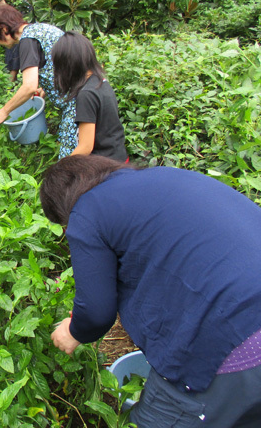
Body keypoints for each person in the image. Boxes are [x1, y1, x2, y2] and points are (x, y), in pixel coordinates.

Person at [42, 155, 261, 428]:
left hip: (234, 339)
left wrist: (73, 332)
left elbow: (96, 312)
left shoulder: (85, 210)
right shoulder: (161, 176)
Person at [0, 3, 77, 158]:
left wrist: (4, 111)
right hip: (90, 94)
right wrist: (46, 88)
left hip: (78, 104)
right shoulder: (40, 29)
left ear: (4, 29)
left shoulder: (28, 40)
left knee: (70, 161)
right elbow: (61, 64)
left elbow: (29, 86)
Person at [52, 31, 127, 162]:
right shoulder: (100, 82)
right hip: (119, 158)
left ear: (68, 65)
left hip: (105, 167)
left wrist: (60, 168)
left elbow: (86, 147)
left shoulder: (86, 94)